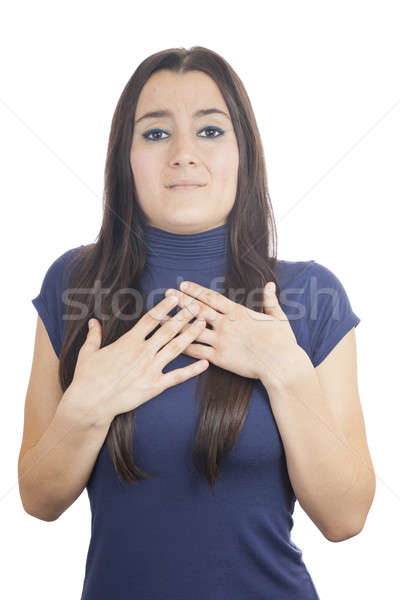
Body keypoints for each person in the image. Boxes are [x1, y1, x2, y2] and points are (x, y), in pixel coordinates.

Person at [19, 46, 375, 599]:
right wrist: (87, 407)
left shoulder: (309, 296)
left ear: (243, 154)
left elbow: (346, 516)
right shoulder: (75, 285)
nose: (183, 154)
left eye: (210, 131)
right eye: (156, 134)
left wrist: (286, 372)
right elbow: (38, 499)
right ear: (125, 157)